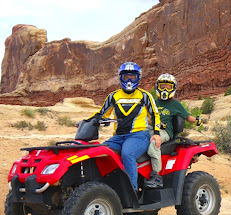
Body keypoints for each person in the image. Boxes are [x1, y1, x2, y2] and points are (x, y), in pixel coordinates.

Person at [85, 62, 161, 191]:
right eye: (126, 77)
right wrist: (86, 122)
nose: (130, 80)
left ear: (138, 78)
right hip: (118, 137)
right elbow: (101, 113)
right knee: (97, 151)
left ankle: (132, 191)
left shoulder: (145, 96)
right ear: (121, 77)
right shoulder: (113, 96)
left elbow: (155, 114)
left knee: (128, 154)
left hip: (139, 136)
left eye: (133, 77)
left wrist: (156, 133)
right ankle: (97, 189)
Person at [145, 73, 201, 188]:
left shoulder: (175, 104)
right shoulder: (154, 102)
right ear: (157, 87)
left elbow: (187, 117)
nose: (165, 89)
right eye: (162, 86)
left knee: (153, 144)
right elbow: (148, 119)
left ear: (173, 89)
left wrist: (196, 120)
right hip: (151, 128)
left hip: (165, 132)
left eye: (168, 87)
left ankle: (157, 177)